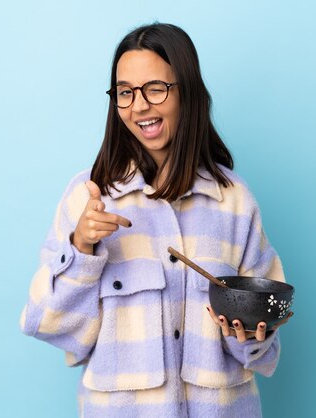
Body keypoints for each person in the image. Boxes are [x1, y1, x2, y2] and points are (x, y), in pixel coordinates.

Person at [20, 22, 288, 418]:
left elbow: (260, 340)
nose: (139, 105)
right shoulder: (88, 198)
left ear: (188, 92)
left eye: (155, 89)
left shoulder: (234, 201)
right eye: (125, 93)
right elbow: (52, 326)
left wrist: (251, 333)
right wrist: (81, 248)